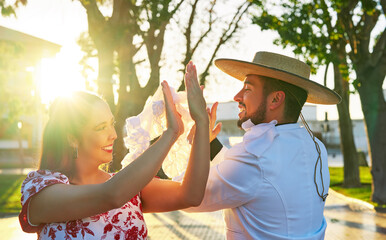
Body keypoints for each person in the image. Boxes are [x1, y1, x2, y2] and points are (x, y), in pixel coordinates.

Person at [19, 61, 210, 239]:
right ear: (71, 138)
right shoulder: (40, 190)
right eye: (101, 127)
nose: (113, 135)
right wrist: (170, 133)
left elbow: (191, 194)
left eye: (112, 124)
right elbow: (111, 195)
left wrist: (202, 123)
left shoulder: (129, 186)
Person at [183, 52, 341, 239]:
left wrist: (159, 149)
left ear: (276, 99)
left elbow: (186, 197)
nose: (236, 96)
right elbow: (245, 175)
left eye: (247, 89)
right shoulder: (317, 147)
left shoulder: (256, 156)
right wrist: (210, 143)